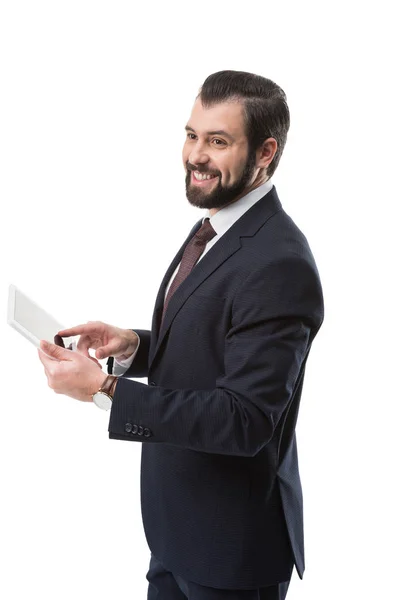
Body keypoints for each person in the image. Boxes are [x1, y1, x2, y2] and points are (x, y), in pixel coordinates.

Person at [38, 70, 324, 600]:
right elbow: (218, 343)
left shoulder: (280, 263)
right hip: (175, 534)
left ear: (265, 152)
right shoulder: (217, 225)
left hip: (231, 555)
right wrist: (135, 345)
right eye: (191, 134)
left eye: (218, 141)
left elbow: (245, 419)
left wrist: (105, 389)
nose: (195, 155)